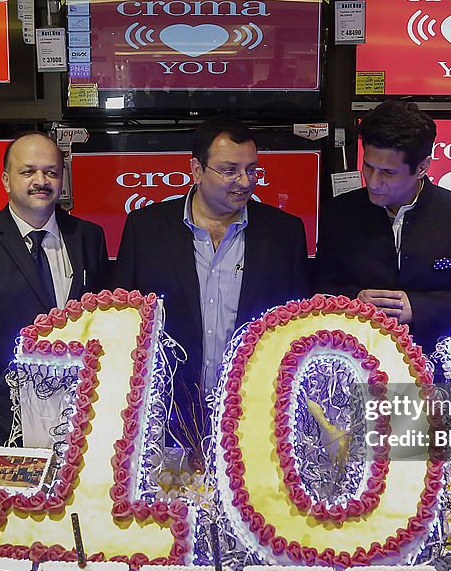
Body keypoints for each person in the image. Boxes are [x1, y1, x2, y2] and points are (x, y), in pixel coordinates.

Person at [113, 117, 309, 458]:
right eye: (229, 170)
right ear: (196, 169)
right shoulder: (145, 230)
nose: (244, 182)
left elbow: (297, 328)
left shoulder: (284, 233)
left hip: (254, 413)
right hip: (166, 414)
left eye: (252, 170)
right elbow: (124, 324)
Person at [0, 131, 107, 466]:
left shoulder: (89, 237)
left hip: (83, 424)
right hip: (3, 426)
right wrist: (31, 406)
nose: (41, 181)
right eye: (28, 171)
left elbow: (102, 326)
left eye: (51, 172)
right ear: (6, 179)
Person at [314, 101, 451, 359]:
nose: (373, 182)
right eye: (368, 166)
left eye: (388, 173)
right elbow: (316, 288)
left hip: (440, 362)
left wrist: (417, 307)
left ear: (423, 168)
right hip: (352, 360)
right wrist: (354, 300)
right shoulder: (336, 214)